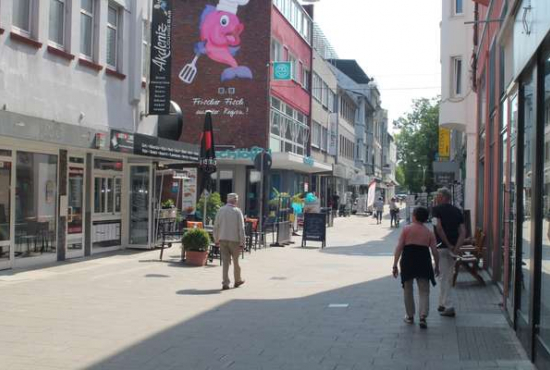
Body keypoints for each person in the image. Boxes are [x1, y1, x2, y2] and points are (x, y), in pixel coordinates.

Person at [392, 206, 440, 329]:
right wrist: (437, 266)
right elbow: (435, 251)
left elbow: (399, 247)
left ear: (414, 216)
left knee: (408, 289)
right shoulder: (429, 233)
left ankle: (410, 316)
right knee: (424, 290)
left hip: (408, 260)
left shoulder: (406, 229)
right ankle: (423, 316)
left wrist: (395, 264)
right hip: (424, 260)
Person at [432, 187, 466, 317]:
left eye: (438, 196)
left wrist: (448, 244)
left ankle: (448, 306)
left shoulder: (436, 210)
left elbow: (438, 228)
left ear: (443, 197)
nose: (437, 198)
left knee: (444, 277)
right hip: (452, 250)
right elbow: (463, 232)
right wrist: (456, 248)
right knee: (448, 276)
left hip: (441, 247)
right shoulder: (458, 211)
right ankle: (442, 303)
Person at [213, 193, 246, 290]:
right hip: (235, 240)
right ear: (235, 200)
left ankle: (225, 283)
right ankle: (237, 280)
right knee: (236, 262)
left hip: (223, 239)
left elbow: (216, 226)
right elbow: (241, 228)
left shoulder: (220, 210)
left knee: (225, 262)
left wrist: (216, 239)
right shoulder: (237, 211)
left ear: (227, 200)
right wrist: (242, 242)